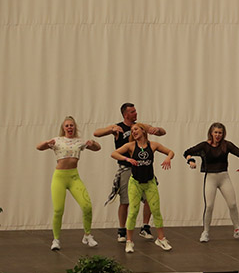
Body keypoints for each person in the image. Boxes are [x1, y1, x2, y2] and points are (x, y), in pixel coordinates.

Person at [94, 102, 166, 242]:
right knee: (126, 201)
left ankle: (145, 227)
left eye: (135, 111)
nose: (136, 113)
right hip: (127, 168)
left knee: (149, 199)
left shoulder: (140, 126)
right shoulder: (118, 127)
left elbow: (163, 132)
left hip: (143, 167)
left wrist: (156, 129)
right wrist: (111, 129)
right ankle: (122, 230)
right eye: (133, 112)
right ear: (126, 114)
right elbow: (96, 133)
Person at [36, 116, 101, 251]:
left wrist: (93, 143)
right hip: (59, 178)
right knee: (58, 210)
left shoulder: (79, 141)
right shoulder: (57, 140)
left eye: (71, 125)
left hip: (74, 177)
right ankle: (56, 240)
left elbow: (97, 148)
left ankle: (87, 235)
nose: (69, 127)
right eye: (67, 125)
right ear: (63, 128)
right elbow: (39, 147)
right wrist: (47, 142)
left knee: (87, 206)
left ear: (74, 127)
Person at [111, 123, 174, 253]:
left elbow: (170, 152)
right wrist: (127, 159)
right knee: (133, 212)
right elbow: (114, 154)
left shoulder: (153, 145)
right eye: (132, 130)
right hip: (135, 183)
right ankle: (129, 241)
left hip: (150, 182)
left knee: (156, 211)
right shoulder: (131, 146)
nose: (133, 132)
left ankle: (161, 239)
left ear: (143, 131)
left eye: (136, 129)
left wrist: (168, 158)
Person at [183, 122, 239, 243]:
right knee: (209, 206)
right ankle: (205, 232)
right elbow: (187, 152)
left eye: (220, 133)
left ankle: (237, 229)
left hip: (224, 177)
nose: (218, 135)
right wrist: (190, 160)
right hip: (210, 178)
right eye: (216, 132)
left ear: (223, 134)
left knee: (232, 204)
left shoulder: (226, 145)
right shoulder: (204, 145)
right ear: (211, 133)